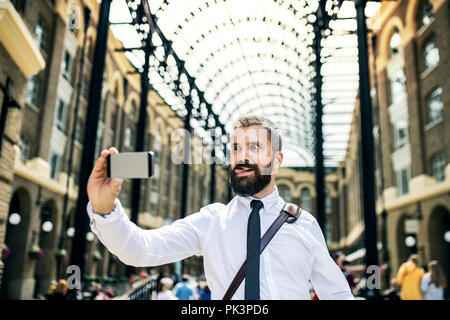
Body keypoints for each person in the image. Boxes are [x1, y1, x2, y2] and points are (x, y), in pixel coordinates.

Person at [86, 115, 354, 300]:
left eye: (254, 147)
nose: (242, 157)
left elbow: (337, 293)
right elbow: (141, 249)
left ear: (276, 160)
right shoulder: (212, 220)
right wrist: (104, 209)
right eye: (236, 148)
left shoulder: (304, 224)